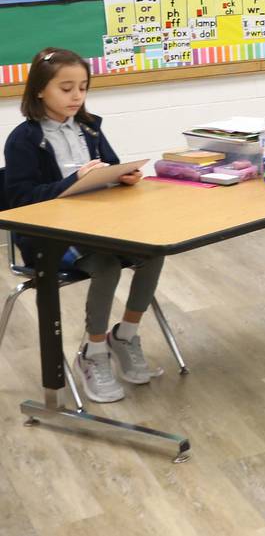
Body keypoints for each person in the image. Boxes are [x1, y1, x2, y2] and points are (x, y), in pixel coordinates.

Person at [2, 48, 160, 403]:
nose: (76, 96)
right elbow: (18, 200)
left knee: (154, 250)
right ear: (40, 90)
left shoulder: (89, 128)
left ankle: (126, 334)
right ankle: (95, 351)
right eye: (66, 88)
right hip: (48, 236)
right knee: (105, 266)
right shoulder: (23, 140)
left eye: (83, 88)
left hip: (100, 224)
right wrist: (69, 183)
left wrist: (124, 176)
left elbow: (112, 166)